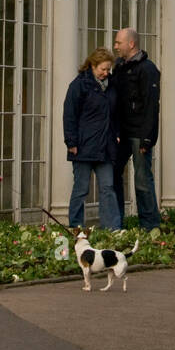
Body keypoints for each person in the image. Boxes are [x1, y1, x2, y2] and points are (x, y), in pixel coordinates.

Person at [63, 47, 121, 231]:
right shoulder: (79, 85)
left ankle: (112, 228)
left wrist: (117, 134)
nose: (106, 73)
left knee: (107, 188)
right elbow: (69, 115)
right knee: (81, 189)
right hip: (83, 146)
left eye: (108, 69)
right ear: (93, 66)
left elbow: (116, 113)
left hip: (105, 146)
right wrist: (71, 142)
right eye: (103, 69)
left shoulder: (112, 86)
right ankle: (76, 227)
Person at [112, 27, 162, 230]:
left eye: (118, 43)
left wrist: (147, 138)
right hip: (121, 133)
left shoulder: (148, 69)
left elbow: (151, 105)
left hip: (139, 133)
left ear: (131, 44)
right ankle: (116, 223)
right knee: (112, 174)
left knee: (142, 180)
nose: (115, 46)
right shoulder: (119, 67)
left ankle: (150, 225)